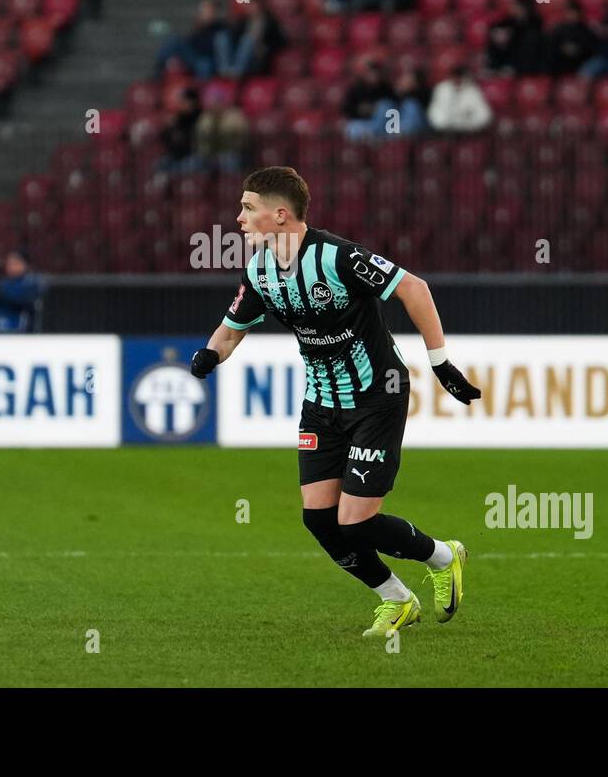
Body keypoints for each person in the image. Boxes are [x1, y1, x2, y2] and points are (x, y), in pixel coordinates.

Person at [188, 167, 481, 638]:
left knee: (356, 520)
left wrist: (441, 363)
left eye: (247, 208)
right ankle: (396, 599)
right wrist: (210, 353)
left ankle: (443, 557)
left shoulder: (337, 257)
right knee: (320, 519)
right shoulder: (259, 269)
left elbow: (414, 287)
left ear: (280, 215)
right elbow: (235, 323)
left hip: (376, 397)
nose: (238, 218)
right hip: (321, 403)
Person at [215, 0, 287, 79]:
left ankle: (236, 72)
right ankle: (225, 70)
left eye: (253, 5)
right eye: (249, 5)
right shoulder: (244, 22)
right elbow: (234, 40)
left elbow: (281, 41)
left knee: (248, 40)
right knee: (221, 36)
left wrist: (266, 48)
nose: (250, 8)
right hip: (241, 57)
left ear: (260, 6)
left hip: (258, 59)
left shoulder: (270, 22)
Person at [155, 0, 228, 78]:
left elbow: (214, 48)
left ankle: (201, 88)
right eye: (203, 11)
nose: (205, 13)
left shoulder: (221, 28)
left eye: (208, 11)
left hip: (209, 59)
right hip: (194, 54)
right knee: (174, 40)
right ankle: (158, 72)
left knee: (204, 65)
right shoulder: (200, 26)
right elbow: (190, 41)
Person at [486, 0, 543, 75]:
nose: (514, 9)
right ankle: (496, 67)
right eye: (514, 7)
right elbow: (498, 28)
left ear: (525, 8)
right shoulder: (509, 21)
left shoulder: (535, 21)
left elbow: (533, 37)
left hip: (526, 54)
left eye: (517, 7)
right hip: (510, 51)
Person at [427, 64, 492, 132]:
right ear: (451, 77)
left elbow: (485, 115)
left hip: (469, 129)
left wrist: (468, 123)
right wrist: (446, 123)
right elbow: (434, 114)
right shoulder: (441, 89)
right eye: (455, 77)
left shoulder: (472, 90)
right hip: (445, 129)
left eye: (460, 77)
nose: (457, 80)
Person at [546, 1, 597, 75]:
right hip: (560, 63)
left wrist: (577, 50)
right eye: (569, 13)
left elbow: (590, 49)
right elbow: (552, 48)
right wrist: (562, 48)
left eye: (573, 13)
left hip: (580, 62)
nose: (571, 15)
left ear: (579, 14)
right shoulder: (558, 30)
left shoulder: (585, 30)